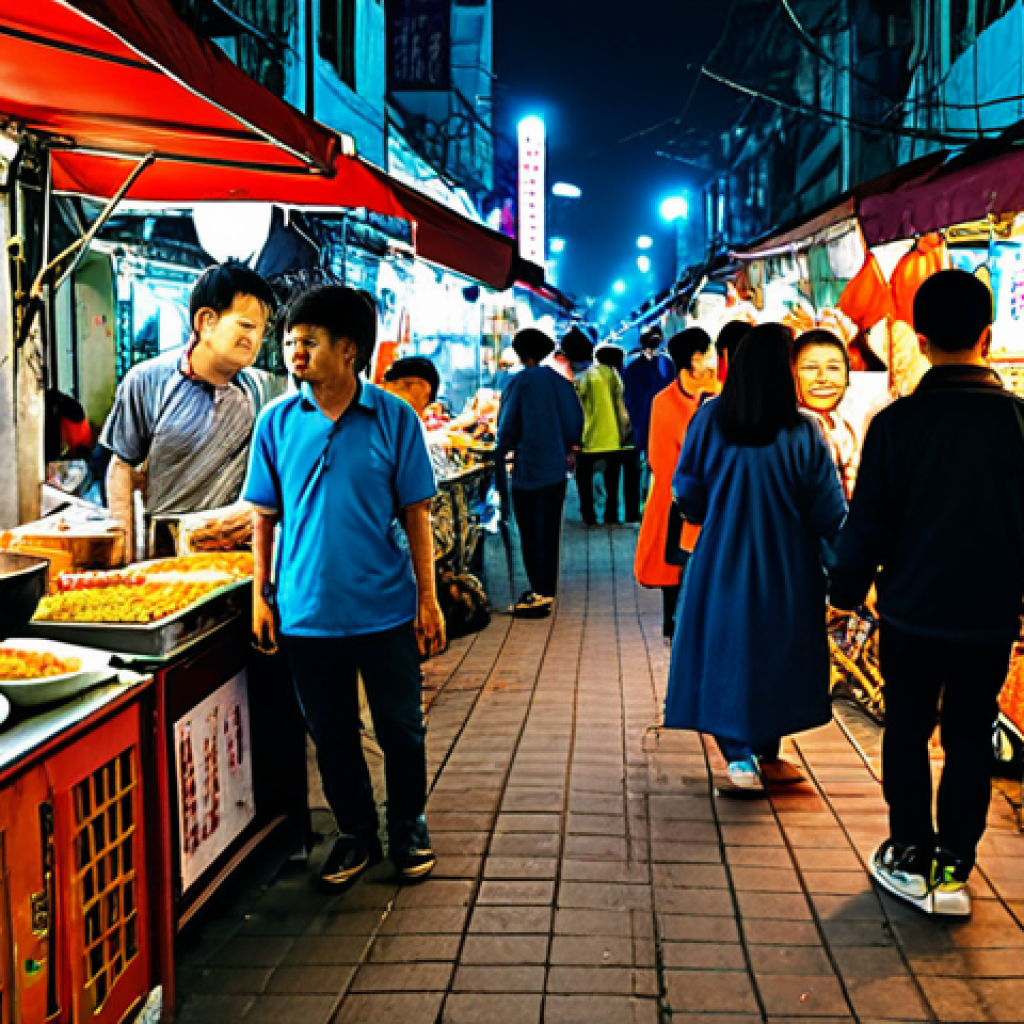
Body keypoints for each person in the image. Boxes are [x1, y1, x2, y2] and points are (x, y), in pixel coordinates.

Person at [830, 269, 1024, 918]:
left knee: (908, 732)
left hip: (911, 613)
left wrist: (845, 591)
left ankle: (909, 851)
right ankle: (953, 869)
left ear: (917, 337)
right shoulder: (1020, 424)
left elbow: (870, 524)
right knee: (970, 736)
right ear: (987, 336)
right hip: (990, 616)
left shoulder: (897, 424)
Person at [244, 285, 445, 891]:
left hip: (384, 608)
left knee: (400, 728)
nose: (293, 352)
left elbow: (417, 514)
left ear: (349, 350)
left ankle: (408, 824)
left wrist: (427, 599)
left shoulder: (395, 419)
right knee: (330, 735)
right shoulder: (276, 422)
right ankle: (357, 831)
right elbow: (263, 516)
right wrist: (262, 591)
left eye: (308, 341)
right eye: (289, 341)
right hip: (306, 612)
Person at [666, 324, 847, 792]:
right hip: (789, 565)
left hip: (721, 559)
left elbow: (687, 491)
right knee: (778, 649)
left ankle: (739, 757)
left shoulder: (709, 418)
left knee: (727, 648)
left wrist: (717, 509)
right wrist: (844, 569)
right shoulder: (805, 431)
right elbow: (829, 512)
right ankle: (766, 750)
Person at [100, 261, 278, 556]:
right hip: (166, 554)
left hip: (238, 556)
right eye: (246, 326)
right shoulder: (147, 381)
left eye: (261, 330)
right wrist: (124, 554)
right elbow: (121, 467)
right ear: (206, 321)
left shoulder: (264, 390)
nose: (255, 340)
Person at [634, 328, 719, 641]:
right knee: (674, 564)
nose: (711, 362)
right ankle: (673, 622)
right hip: (675, 500)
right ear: (688, 364)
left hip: (716, 499)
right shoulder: (663, 402)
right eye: (704, 357)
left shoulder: (722, 394)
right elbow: (659, 459)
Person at [496, 328, 584, 618]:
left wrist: (501, 448)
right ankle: (547, 588)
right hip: (555, 470)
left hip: (530, 470)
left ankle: (538, 593)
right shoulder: (561, 382)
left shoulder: (519, 383)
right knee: (549, 531)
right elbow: (575, 423)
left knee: (531, 533)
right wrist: (566, 448)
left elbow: (507, 426)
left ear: (521, 353)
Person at [793, 329, 859, 499]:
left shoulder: (844, 426)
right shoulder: (793, 432)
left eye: (833, 367)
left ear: (847, 376)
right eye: (810, 367)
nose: (822, 378)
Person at [576, 344, 636, 527]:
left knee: (584, 479)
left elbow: (578, 400)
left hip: (590, 437)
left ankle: (589, 516)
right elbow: (621, 407)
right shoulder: (615, 376)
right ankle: (611, 515)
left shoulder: (587, 375)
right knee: (612, 481)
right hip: (612, 438)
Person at [622, 327, 674, 459]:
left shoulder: (666, 363)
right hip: (645, 419)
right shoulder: (633, 369)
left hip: (663, 418)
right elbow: (630, 398)